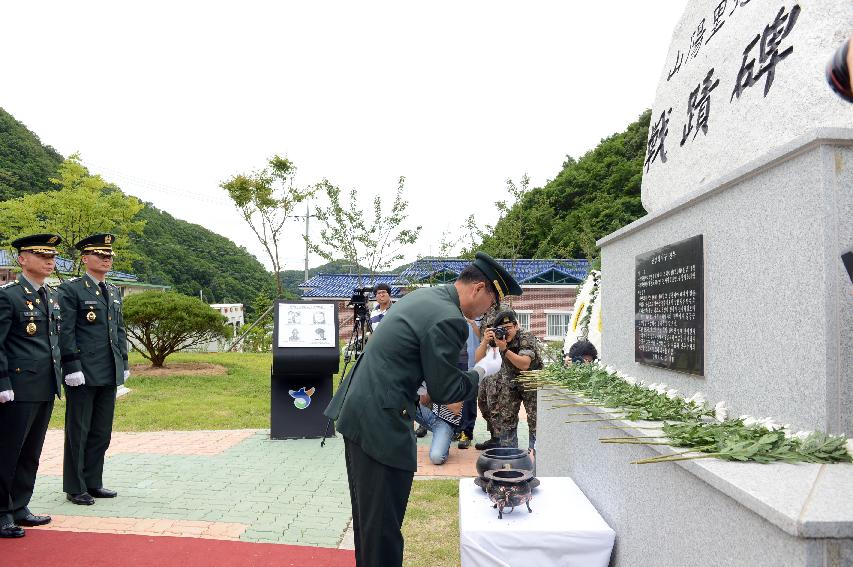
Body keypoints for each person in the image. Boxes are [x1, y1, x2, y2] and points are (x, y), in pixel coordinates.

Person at [324, 252, 520, 567]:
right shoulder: (449, 318)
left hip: (362, 410)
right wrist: (483, 370)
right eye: (492, 302)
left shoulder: (429, 297)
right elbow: (445, 389)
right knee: (382, 528)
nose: (489, 312)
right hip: (380, 420)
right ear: (478, 288)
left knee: (370, 522)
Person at [0, 234, 64, 538]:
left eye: (51, 256)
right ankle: (1, 512)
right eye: (41, 255)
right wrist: (2, 382)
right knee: (7, 452)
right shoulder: (8, 295)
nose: (49, 261)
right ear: (23, 259)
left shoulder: (49, 295)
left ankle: (20, 505)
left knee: (31, 452)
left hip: (44, 385)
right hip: (17, 387)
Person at [59, 234, 129, 505]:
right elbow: (66, 331)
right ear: (85, 259)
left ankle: (93, 481)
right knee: (79, 430)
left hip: (108, 369)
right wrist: (72, 365)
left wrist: (122, 362)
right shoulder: (71, 290)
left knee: (101, 431)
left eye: (109, 255)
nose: (106, 259)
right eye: (100, 255)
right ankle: (75, 486)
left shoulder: (112, 290)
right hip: (83, 372)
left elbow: (119, 330)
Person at [475, 309, 543, 452]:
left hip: (531, 381)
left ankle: (535, 456)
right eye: (501, 329)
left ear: (516, 326)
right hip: (510, 380)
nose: (506, 332)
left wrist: (504, 349)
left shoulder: (526, 337)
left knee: (535, 422)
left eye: (508, 328)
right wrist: (485, 342)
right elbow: (479, 359)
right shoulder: (498, 338)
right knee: (506, 419)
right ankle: (510, 456)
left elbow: (524, 365)